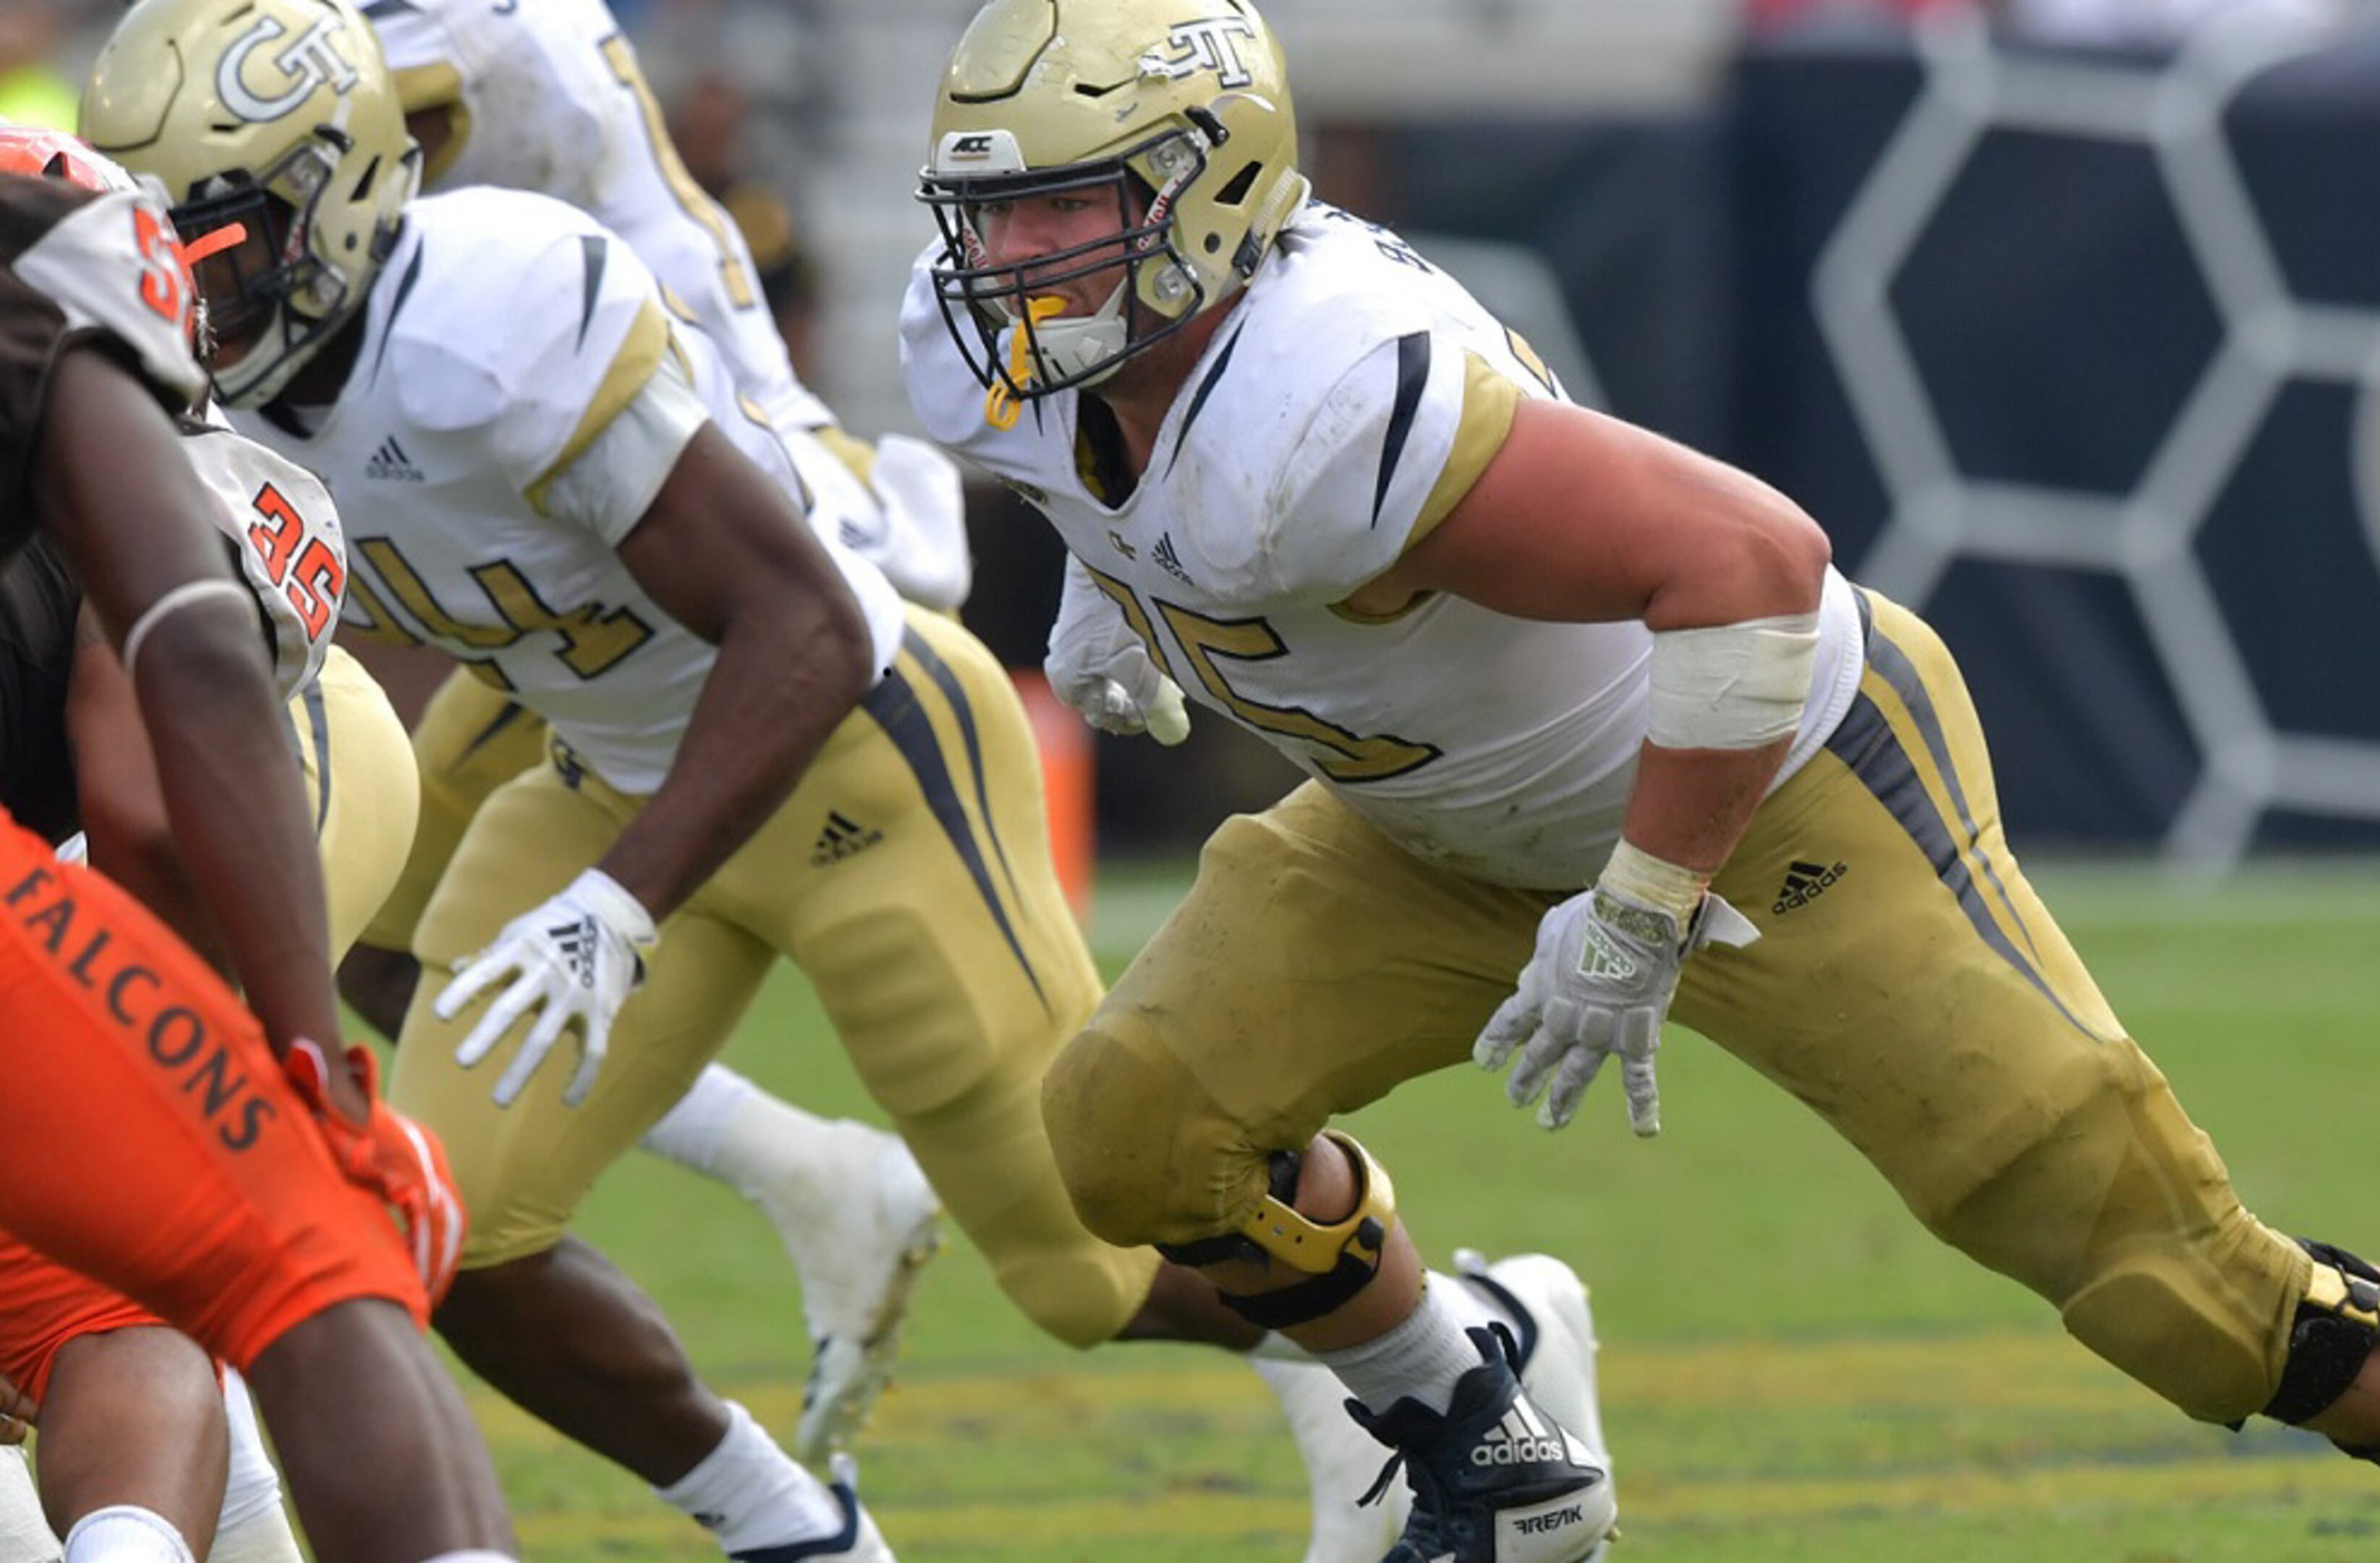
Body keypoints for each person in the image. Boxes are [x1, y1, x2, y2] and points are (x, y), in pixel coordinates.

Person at [904, 4, 2380, 1562]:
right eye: (996, 219)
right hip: (1428, 820)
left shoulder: (1337, 395)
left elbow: (1756, 567)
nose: (1014, 264)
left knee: (2170, 1295)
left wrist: (1639, 911)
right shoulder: (1017, 351)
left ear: (1211, 192)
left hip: (1770, 790)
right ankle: (1480, 1420)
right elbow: (1108, 466)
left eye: (1071, 214)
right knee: (1135, 1133)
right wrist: (1107, 583)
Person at [81, 6, 1594, 1560]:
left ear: (335, 196)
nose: (185, 292)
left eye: (218, 244)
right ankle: (791, 1529)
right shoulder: (202, 390)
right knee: (443, 1227)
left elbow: (808, 619)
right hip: (606, 757)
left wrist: (618, 898)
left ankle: (1475, 1340)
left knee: (1085, 1267)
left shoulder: (490, 315)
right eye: (155, 247)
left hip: (849, 745)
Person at [348, 0, 973, 1455]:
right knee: (370, 936)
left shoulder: (467, 49)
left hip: (675, 508)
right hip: (570, 573)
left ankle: (1431, 1351)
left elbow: (345, 124)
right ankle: (804, 1169)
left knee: (1080, 1214)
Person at [0, 148, 511, 1563]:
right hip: (90, 861)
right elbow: (155, 788)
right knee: (283, 1252)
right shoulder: (84, 349)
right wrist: (298, 1077)